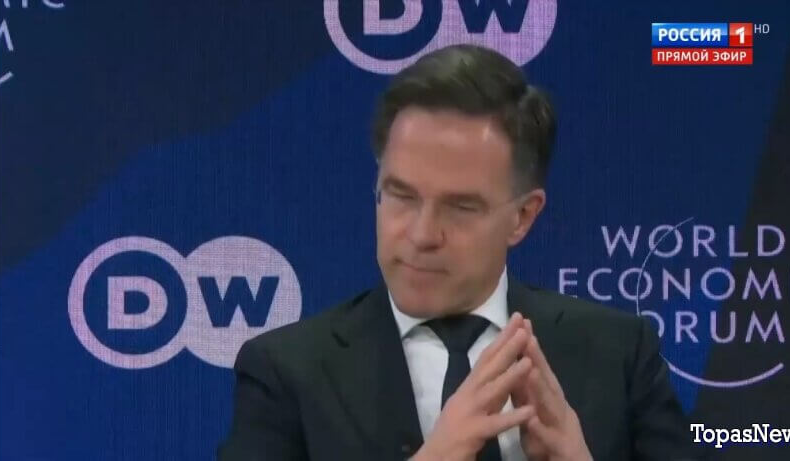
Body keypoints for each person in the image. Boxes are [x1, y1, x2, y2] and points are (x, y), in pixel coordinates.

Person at [218, 44, 704, 461]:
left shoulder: (619, 354)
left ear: (523, 216)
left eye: (461, 207)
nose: (422, 234)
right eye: (402, 196)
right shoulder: (286, 371)